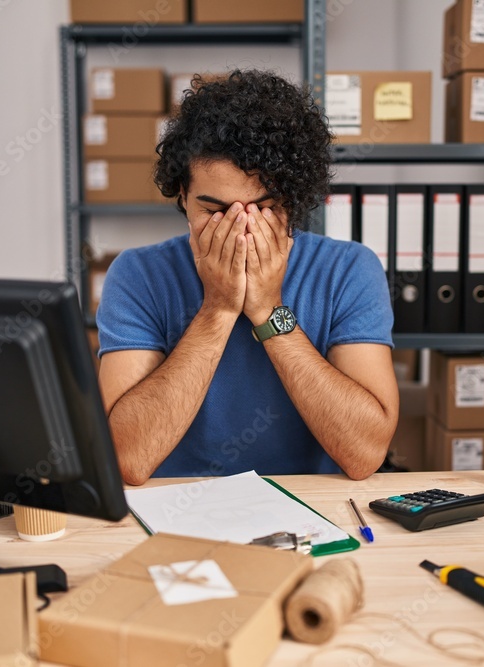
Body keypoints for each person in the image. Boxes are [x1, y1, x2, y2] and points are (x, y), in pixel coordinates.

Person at [97, 69, 398, 485]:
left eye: (264, 208)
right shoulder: (137, 274)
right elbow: (126, 458)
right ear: (182, 196)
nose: (240, 230)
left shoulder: (349, 270)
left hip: (313, 513)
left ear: (293, 200)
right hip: (176, 510)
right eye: (215, 211)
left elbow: (365, 454)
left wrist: (267, 309)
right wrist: (218, 308)